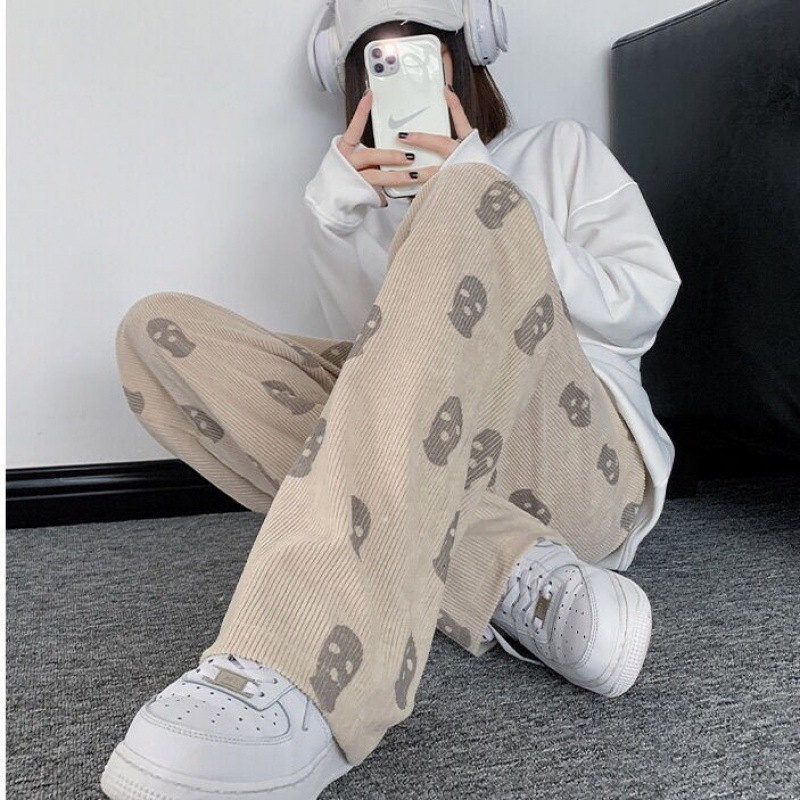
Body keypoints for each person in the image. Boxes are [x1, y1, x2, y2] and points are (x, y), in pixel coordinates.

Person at [101, 1, 682, 798]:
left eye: (423, 54)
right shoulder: (362, 200)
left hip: (583, 464)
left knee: (468, 202)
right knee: (156, 335)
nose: (405, 78)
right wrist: (333, 218)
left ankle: (304, 670)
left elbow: (645, 301)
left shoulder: (560, 149)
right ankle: (511, 570)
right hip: (438, 463)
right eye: (380, 65)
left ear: (466, 57)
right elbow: (383, 383)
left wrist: (484, 190)